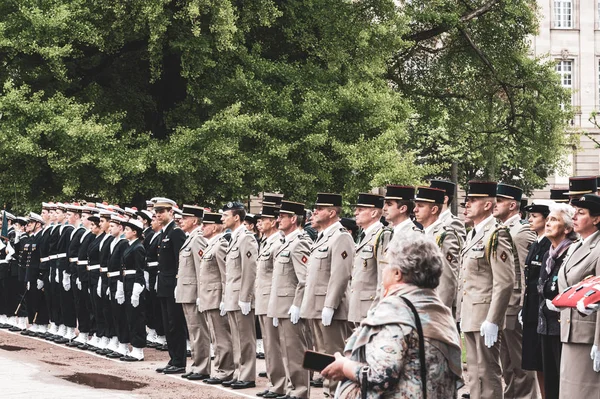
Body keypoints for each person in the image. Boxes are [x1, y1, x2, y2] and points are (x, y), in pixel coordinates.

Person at [322, 235, 462, 398]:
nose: (383, 270)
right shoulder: (440, 311)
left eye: (387, 265)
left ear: (397, 273)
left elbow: (381, 375)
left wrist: (344, 366)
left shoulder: (396, 310)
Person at [461, 181, 515, 399]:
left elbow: (505, 281)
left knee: (487, 372)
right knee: (474, 374)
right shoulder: (473, 234)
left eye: (473, 201)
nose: (467, 205)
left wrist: (493, 319)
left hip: (484, 315)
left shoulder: (496, 234)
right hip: (471, 314)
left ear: (486, 205)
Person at [300, 192, 355, 397]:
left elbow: (340, 275)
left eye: (320, 209)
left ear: (332, 212)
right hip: (316, 306)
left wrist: (330, 305)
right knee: (323, 357)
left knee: (334, 355)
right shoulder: (322, 237)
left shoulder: (341, 236)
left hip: (330, 307)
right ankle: (328, 393)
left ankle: (337, 394)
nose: (315, 212)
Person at [493, 183, 538, 399]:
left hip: (516, 304)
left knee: (521, 364)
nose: (494, 204)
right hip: (504, 304)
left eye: (499, 201)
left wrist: (523, 306)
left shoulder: (521, 232)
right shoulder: (500, 230)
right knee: (507, 364)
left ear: (512, 205)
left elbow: (526, 272)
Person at [554, 194, 600, 397]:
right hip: (568, 330)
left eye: (581, 213)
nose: (575, 217)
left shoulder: (598, 248)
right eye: (574, 212)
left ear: (596, 219)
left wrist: (599, 342)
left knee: (584, 393)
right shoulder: (575, 246)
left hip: (588, 335)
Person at [267, 200, 312, 399]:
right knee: (286, 350)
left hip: (290, 306)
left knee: (295, 351)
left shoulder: (299, 242)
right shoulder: (286, 242)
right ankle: (293, 389)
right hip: (281, 305)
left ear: (293, 219)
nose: (278, 220)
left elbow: (304, 279)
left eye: (282, 217)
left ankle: (300, 391)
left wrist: (296, 305)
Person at [538, 203, 576, 399]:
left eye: (554, 220)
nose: (548, 223)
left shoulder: (571, 253)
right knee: (550, 381)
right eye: (548, 219)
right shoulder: (548, 254)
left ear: (567, 228)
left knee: (565, 383)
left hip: (563, 326)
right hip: (546, 324)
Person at [221, 201, 259, 389]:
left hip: (241, 298)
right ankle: (239, 372)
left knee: (245, 339)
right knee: (236, 339)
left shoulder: (246, 238)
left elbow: (250, 270)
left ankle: (248, 375)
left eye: (226, 215)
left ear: (237, 217)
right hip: (232, 297)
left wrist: (246, 297)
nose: (222, 218)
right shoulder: (234, 238)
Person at [197, 212, 236, 385]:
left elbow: (225, 274)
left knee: (221, 337)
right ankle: (220, 368)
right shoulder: (210, 245)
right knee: (215, 336)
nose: (201, 228)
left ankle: (225, 370)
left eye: (205, 225)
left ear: (214, 227)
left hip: (215, 297)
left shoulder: (220, 245)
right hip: (208, 297)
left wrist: (224, 299)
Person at [521, 200, 553, 397]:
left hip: (543, 311)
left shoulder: (549, 245)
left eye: (534, 217)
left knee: (544, 363)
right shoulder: (536, 244)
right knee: (535, 362)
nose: (529, 220)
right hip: (531, 309)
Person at [175, 205, 211, 379]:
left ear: (195, 221)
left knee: (198, 331)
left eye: (185, 217)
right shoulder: (190, 238)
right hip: (187, 291)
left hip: (193, 292)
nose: (181, 220)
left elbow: (200, 269)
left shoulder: (197, 239)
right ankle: (197, 365)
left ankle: (202, 367)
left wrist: (200, 294)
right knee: (193, 331)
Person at [413, 186, 461, 312]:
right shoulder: (420, 234)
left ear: (434, 209)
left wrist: (439, 312)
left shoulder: (445, 236)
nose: (415, 210)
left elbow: (447, 280)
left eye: (420, 206)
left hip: (433, 308)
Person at [154, 198, 188, 374]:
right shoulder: (164, 233)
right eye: (157, 212)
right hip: (164, 285)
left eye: (162, 211)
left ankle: (179, 361)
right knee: (168, 324)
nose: (158, 215)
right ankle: (173, 358)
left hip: (172, 285)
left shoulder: (176, 233)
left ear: (171, 213)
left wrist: (178, 283)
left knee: (175, 323)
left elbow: (180, 261)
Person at [255, 204, 286, 397]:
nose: (259, 223)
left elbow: (278, 277)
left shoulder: (277, 243)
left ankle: (279, 384)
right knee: (268, 344)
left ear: (273, 222)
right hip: (263, 299)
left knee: (274, 344)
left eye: (263, 220)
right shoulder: (266, 242)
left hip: (271, 301)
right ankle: (274, 382)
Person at [348, 193, 390, 324]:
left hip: (370, 306)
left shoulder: (382, 235)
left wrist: (378, 308)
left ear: (373, 213)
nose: (355, 213)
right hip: (358, 305)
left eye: (360, 210)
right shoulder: (364, 235)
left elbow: (383, 277)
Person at [119, 218, 147, 361]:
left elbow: (140, 270)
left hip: (135, 283)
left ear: (135, 232)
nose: (125, 232)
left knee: (137, 316)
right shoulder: (131, 245)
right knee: (130, 315)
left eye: (127, 230)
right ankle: (134, 347)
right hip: (127, 282)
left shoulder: (138, 247)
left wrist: (137, 289)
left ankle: (138, 349)